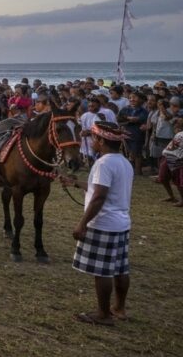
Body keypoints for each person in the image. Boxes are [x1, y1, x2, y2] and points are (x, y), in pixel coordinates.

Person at [60, 122, 134, 326]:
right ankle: (119, 308)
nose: (92, 142)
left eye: (94, 138)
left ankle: (103, 314)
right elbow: (99, 188)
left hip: (103, 223)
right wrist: (74, 183)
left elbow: (99, 196)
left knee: (101, 271)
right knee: (120, 268)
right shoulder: (124, 162)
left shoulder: (103, 164)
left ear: (101, 140)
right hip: (121, 223)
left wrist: (82, 224)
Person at [118, 93, 148, 176]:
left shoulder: (143, 110)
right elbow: (119, 118)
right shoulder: (125, 109)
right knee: (126, 152)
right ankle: (129, 170)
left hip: (137, 134)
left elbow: (141, 119)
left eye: (134, 97)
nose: (132, 99)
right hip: (125, 133)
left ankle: (138, 171)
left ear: (140, 100)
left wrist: (129, 119)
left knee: (137, 153)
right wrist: (128, 119)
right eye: (130, 98)